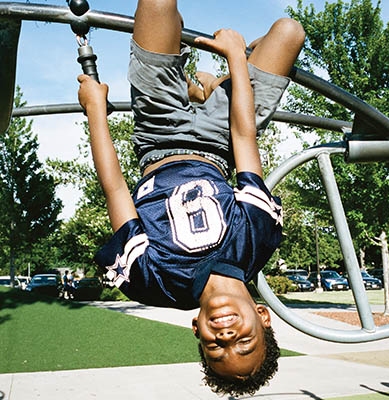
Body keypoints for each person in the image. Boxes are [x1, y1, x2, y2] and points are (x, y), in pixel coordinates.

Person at [77, 0, 304, 396]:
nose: (226, 335)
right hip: (221, 137)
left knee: (158, 5)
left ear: (196, 330)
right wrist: (235, 59)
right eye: (243, 341)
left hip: (159, 133)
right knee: (289, 32)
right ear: (263, 316)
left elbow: (114, 189)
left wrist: (97, 110)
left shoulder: (153, 282)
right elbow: (244, 138)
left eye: (215, 347)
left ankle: (195, 82)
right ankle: (211, 85)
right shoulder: (257, 242)